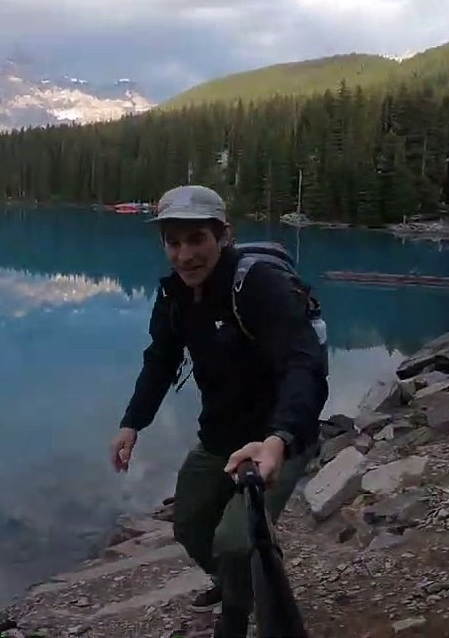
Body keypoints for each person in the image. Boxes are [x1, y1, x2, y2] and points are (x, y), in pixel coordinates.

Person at [110, 184, 328, 637]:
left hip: (276, 439)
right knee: (189, 525)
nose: (185, 255)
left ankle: (234, 613)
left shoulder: (256, 286)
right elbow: (160, 360)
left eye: (196, 240)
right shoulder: (175, 296)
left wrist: (279, 440)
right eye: (173, 242)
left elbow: (303, 362)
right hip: (220, 436)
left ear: (223, 236)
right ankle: (241, 581)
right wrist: (132, 423)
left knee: (233, 541)